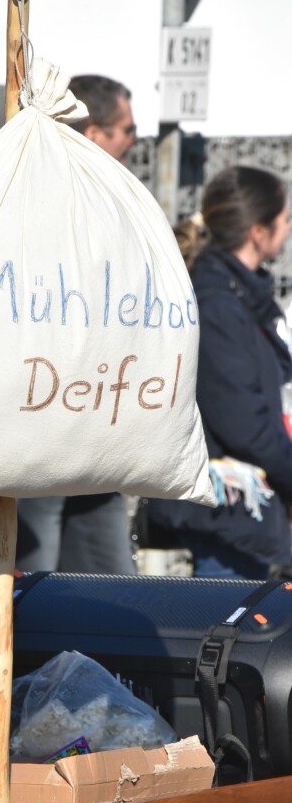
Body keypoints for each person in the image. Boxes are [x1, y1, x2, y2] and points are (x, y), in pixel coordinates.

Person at [16, 74, 137, 574]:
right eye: (127, 131)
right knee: (33, 587)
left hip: (98, 421)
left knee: (109, 589)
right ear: (94, 136)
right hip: (46, 418)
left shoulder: (113, 206)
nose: (133, 142)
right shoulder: (44, 200)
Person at [146, 165, 292, 579]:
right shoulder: (218, 306)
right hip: (226, 511)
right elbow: (244, 423)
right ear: (258, 233)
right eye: (284, 218)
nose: (289, 226)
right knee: (227, 635)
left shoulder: (239, 296)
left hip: (241, 509)